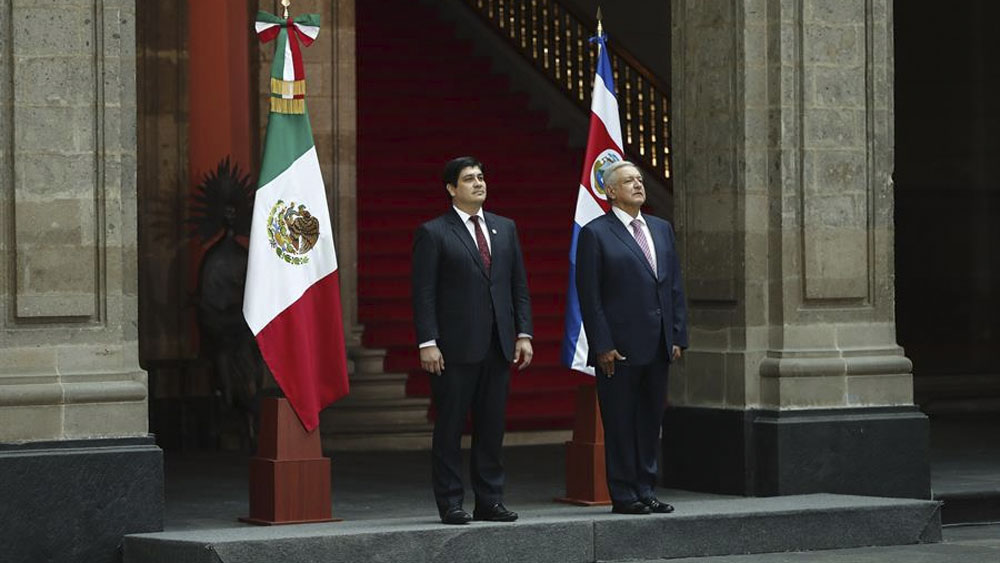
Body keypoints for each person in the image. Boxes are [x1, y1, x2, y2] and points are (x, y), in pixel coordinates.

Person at [411, 156, 534, 525]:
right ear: (452, 188)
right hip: (453, 347)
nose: (479, 183)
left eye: (481, 177)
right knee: (450, 427)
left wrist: (523, 333)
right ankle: (450, 502)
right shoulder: (434, 232)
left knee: (492, 426)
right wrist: (427, 341)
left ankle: (490, 500)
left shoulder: (505, 228)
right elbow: (424, 293)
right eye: (469, 179)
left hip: (498, 344)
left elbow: (518, 287)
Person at [575, 160, 688, 515]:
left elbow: (672, 285)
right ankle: (624, 494)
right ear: (611, 191)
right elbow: (590, 296)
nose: (638, 185)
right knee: (621, 422)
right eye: (629, 181)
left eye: (639, 179)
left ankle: (646, 488)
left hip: (658, 344)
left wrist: (677, 334)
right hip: (618, 348)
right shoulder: (596, 233)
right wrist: (602, 344)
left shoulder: (661, 228)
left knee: (649, 421)